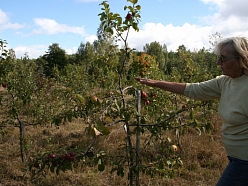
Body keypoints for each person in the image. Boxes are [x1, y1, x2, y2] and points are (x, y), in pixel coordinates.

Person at [135, 36, 248, 186]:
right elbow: (193, 89)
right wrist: (154, 83)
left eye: (223, 58)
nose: (218, 63)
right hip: (236, 158)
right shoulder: (225, 81)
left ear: (241, 59)